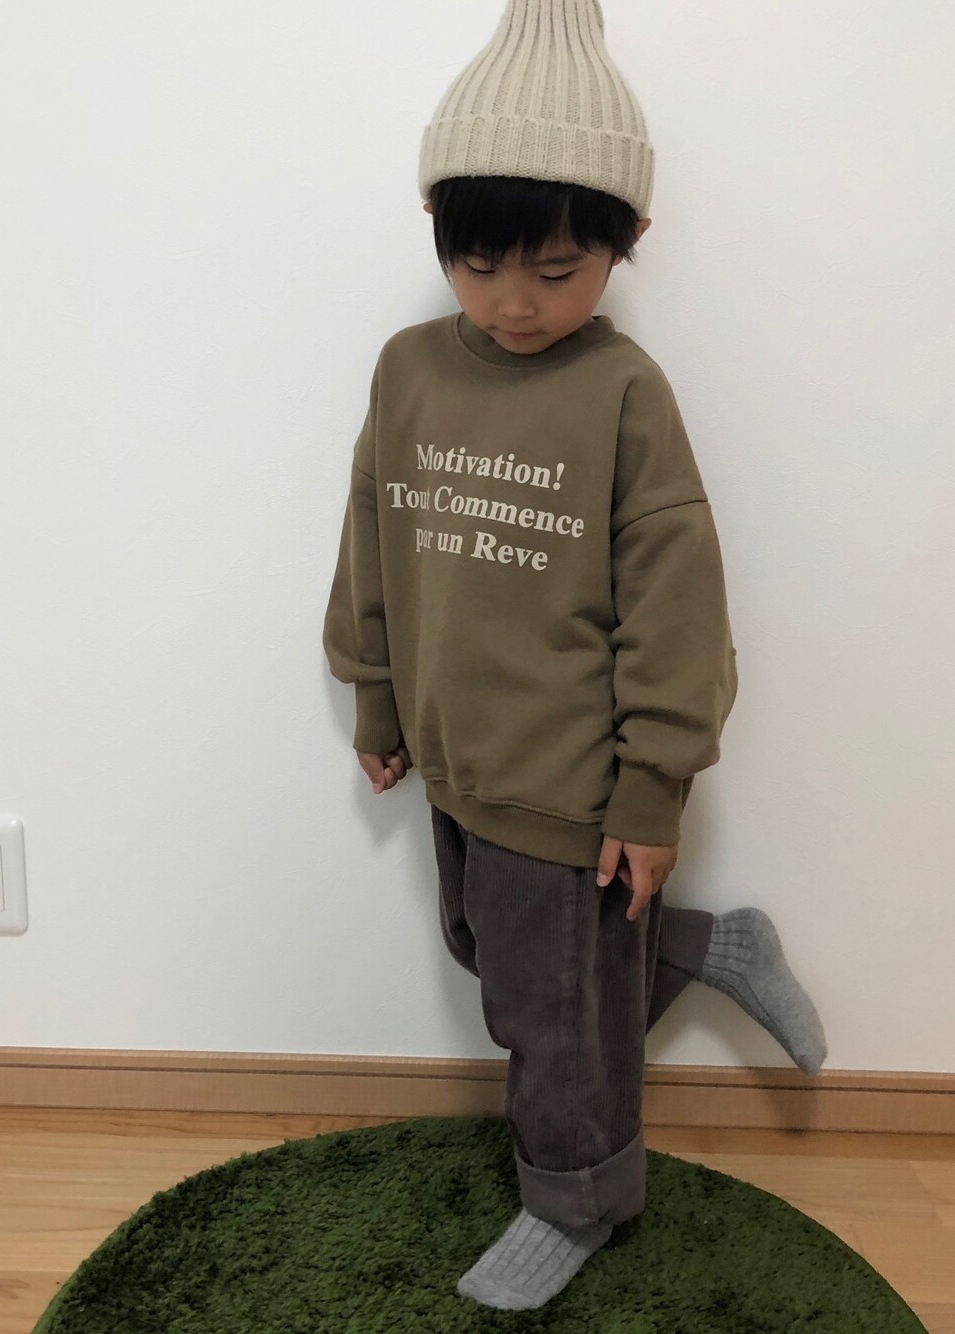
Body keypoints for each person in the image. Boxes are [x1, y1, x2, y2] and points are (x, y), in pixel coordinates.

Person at [322, 0, 826, 1312]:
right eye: (480, 263)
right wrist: (376, 699)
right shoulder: (407, 371)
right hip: (456, 760)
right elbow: (373, 540)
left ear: (625, 238)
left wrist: (651, 788)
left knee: (548, 1020)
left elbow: (677, 602)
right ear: (436, 227)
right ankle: (708, 947)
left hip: (574, 779)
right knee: (505, 960)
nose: (514, 302)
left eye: (555, 269)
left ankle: (578, 1196)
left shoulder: (624, 395)